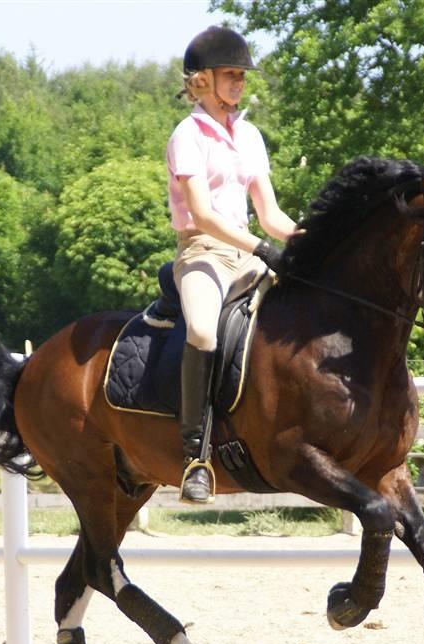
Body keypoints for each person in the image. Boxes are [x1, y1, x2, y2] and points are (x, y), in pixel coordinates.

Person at [167, 25, 298, 503]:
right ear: (202, 80)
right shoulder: (187, 135)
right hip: (203, 252)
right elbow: (202, 213)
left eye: (242, 75)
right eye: (231, 74)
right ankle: (195, 457)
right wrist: (261, 247)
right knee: (202, 330)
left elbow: (270, 214)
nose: (240, 82)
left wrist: (307, 240)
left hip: (248, 253)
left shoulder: (249, 135)